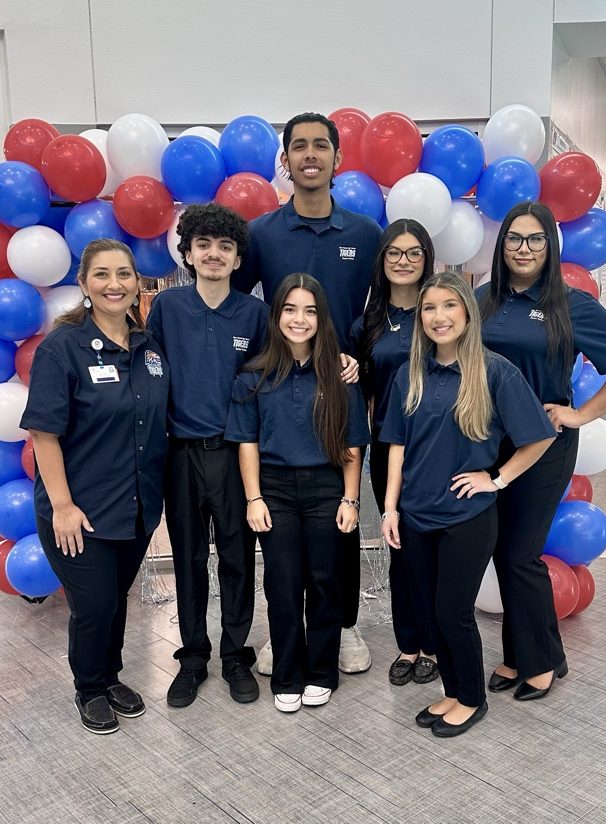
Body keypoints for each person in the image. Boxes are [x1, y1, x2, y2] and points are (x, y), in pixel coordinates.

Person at [477, 201, 606, 700]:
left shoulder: (570, 304)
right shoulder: (483, 298)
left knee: (519, 554)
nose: (523, 248)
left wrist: (581, 413)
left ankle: (534, 664)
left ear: (550, 247)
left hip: (544, 443)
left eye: (535, 239)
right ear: (501, 244)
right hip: (490, 442)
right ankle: (537, 654)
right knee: (502, 551)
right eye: (514, 238)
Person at [234, 111, 382, 676]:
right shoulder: (263, 234)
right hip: (279, 393)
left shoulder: (366, 234)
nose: (310, 155)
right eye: (299, 147)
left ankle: (343, 627)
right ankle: (285, 634)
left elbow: (381, 314)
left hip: (340, 394)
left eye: (321, 145)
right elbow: (243, 307)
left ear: (338, 159)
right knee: (284, 534)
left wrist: (363, 368)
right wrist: (254, 376)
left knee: (339, 521)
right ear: (287, 161)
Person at [381, 272, 556, 737]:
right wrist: (390, 509)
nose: (439, 317)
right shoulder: (410, 374)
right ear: (420, 319)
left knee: (454, 612)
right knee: (431, 613)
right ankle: (453, 690)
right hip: (416, 516)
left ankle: (472, 699)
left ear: (467, 312)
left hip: (466, 517)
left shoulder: (494, 371)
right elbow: (397, 446)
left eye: (449, 306)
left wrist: (495, 479)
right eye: (429, 308)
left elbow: (539, 438)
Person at [21, 239, 169, 735]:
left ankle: (110, 677)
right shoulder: (61, 349)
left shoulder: (148, 348)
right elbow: (43, 433)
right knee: (95, 604)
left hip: (136, 505)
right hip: (79, 507)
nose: (114, 284)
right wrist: (61, 505)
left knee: (117, 598)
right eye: (101, 275)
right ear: (84, 284)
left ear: (137, 283)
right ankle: (89, 688)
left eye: (124, 274)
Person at [226, 274, 370, 712]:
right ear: (277, 315)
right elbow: (246, 441)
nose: (299, 318)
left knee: (325, 582)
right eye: (290, 309)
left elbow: (351, 445)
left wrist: (351, 499)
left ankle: (323, 671)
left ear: (321, 318)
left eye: (309, 310)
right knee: (283, 584)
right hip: (275, 491)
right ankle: (287, 674)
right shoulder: (253, 375)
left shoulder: (341, 376)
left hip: (327, 488)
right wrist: (254, 498)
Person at [146, 203, 269, 709]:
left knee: (238, 558)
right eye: (203, 245)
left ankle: (236, 654)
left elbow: (267, 383)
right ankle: (193, 656)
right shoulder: (166, 309)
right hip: (181, 455)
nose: (214, 254)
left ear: (239, 258)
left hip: (235, 456)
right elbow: (149, 379)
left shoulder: (256, 314)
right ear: (188, 255)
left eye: (225, 246)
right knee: (189, 559)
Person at [350, 218, 439, 687]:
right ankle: (410, 644)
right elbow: (358, 392)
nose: (403, 261)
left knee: (430, 545)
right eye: (394, 253)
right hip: (388, 445)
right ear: (381, 261)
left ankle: (435, 643)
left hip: (441, 446)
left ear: (427, 258)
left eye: (414, 252)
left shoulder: (441, 314)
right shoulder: (366, 324)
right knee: (400, 544)